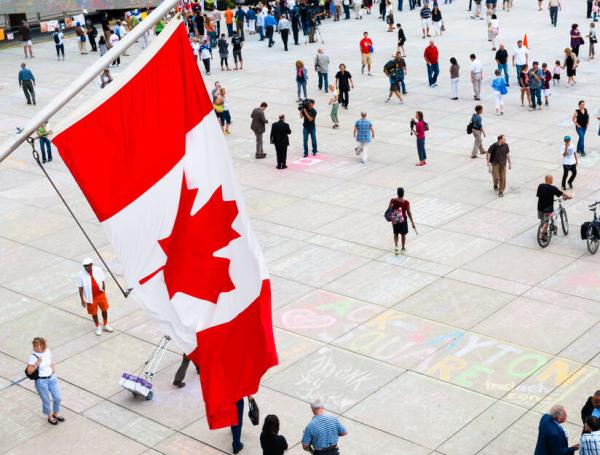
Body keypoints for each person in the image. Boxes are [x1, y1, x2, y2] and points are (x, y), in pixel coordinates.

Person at [26, 337, 64, 425]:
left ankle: (55, 414)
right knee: (46, 400)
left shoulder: (47, 351)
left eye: (36, 346)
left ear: (42, 345)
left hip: (51, 378)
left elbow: (50, 361)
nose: (35, 348)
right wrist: (37, 363)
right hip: (41, 381)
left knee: (57, 398)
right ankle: (50, 416)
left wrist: (53, 370)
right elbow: (29, 371)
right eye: (34, 346)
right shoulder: (33, 357)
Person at [77, 258, 114, 336]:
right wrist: (82, 300)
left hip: (100, 294)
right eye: (85, 266)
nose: (87, 267)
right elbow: (80, 288)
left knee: (104, 309)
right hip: (91, 297)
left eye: (88, 266)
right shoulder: (80, 274)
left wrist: (103, 290)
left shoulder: (97, 269)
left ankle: (105, 324)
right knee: (94, 313)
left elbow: (103, 280)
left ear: (91, 265)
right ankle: (97, 327)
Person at [388, 187, 416, 254]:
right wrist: (412, 223)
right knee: (403, 235)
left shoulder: (393, 200)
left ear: (397, 193)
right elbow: (409, 213)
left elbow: (389, 209)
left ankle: (396, 246)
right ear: (403, 194)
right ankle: (403, 248)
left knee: (396, 233)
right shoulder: (406, 203)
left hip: (395, 220)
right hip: (403, 221)